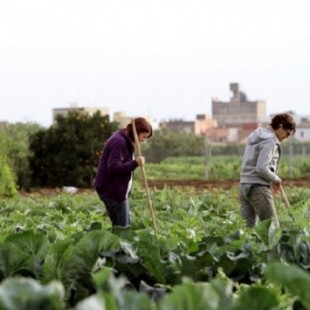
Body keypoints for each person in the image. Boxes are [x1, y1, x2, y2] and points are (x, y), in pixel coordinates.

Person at [239, 113, 296, 227]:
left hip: (244, 186)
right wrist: (275, 179)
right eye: (287, 132)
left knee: (247, 230)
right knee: (272, 229)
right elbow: (261, 168)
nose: (287, 136)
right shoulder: (270, 140)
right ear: (280, 126)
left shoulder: (256, 134)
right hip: (257, 188)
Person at [94, 117, 152, 227]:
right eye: (143, 137)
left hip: (117, 191)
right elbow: (113, 168)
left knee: (125, 224)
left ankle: (118, 243)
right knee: (122, 228)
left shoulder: (125, 140)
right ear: (136, 132)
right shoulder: (119, 142)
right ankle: (117, 245)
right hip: (111, 191)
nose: (143, 140)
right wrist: (135, 163)